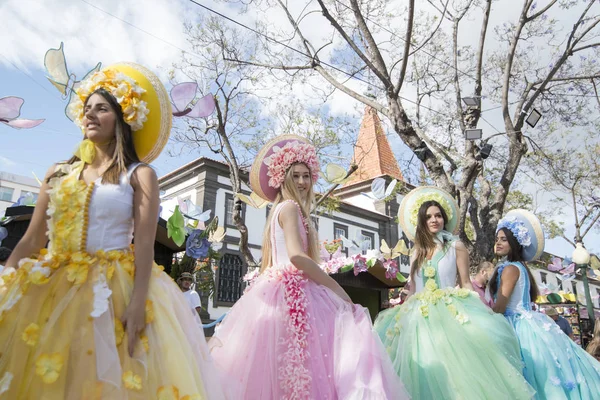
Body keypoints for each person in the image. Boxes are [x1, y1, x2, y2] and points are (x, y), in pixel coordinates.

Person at [0, 63, 227, 399]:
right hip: (49, 288)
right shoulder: (57, 173)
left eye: (102, 108)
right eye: (87, 108)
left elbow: (146, 246)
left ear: (123, 118)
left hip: (112, 291)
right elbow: (33, 238)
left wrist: (137, 305)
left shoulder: (139, 175)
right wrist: (6, 284)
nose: (90, 115)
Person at [209, 135, 408, 399]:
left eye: (306, 176)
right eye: (296, 176)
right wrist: (335, 286)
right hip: (293, 292)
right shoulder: (290, 208)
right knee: (306, 358)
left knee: (284, 365)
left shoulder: (280, 210)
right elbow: (296, 257)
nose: (302, 182)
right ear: (284, 177)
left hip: (275, 291)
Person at [374, 187, 534, 400]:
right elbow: (412, 289)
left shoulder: (456, 246)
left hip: (448, 313)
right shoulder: (416, 252)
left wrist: (482, 311)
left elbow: (466, 282)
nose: (434, 220)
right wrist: (400, 312)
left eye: (438, 215)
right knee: (417, 367)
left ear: (444, 219)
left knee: (456, 370)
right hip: (416, 317)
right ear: (421, 221)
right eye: (429, 216)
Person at [491, 209, 600, 399]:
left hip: (514, 325)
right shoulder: (520, 268)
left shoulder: (509, 269)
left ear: (515, 243)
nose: (498, 243)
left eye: (504, 239)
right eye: (497, 239)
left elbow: (500, 307)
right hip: (531, 324)